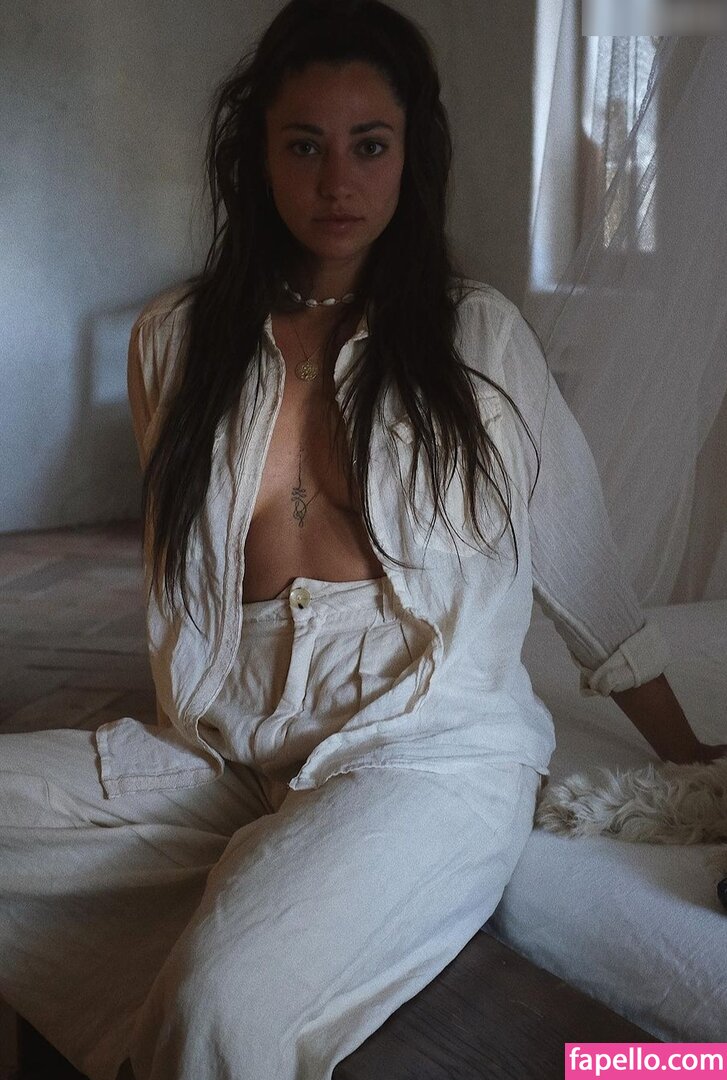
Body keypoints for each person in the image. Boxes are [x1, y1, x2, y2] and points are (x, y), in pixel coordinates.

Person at [1, 2, 724, 1078]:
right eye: (305, 147)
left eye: (368, 146)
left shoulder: (477, 337)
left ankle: (244, 955)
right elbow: (189, 581)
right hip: (226, 751)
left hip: (423, 749)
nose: (337, 181)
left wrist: (686, 752)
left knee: (218, 1005)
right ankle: (252, 920)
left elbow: (582, 566)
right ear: (257, 157)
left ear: (409, 155)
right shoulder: (175, 340)